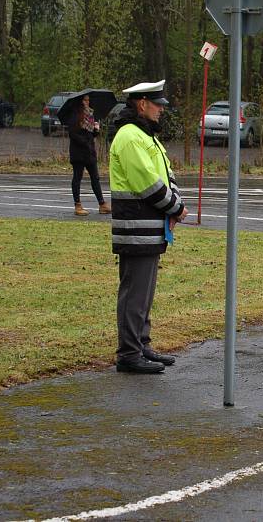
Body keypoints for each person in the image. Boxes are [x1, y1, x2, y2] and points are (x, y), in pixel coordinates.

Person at [109, 80, 187, 374]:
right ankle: (129, 353)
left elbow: (166, 175)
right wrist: (176, 208)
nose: (161, 111)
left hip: (148, 226)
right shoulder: (130, 137)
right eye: (157, 105)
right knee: (135, 292)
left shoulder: (144, 135)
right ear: (142, 103)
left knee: (145, 292)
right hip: (136, 226)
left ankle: (141, 344)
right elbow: (148, 184)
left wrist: (175, 204)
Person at [69, 95, 111, 216]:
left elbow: (91, 135)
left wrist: (96, 130)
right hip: (78, 152)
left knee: (95, 178)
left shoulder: (90, 116)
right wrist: (85, 142)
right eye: (85, 100)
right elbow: (73, 134)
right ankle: (77, 205)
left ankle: (102, 204)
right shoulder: (75, 116)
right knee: (77, 177)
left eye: (88, 100)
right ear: (80, 102)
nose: (87, 102)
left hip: (89, 152)